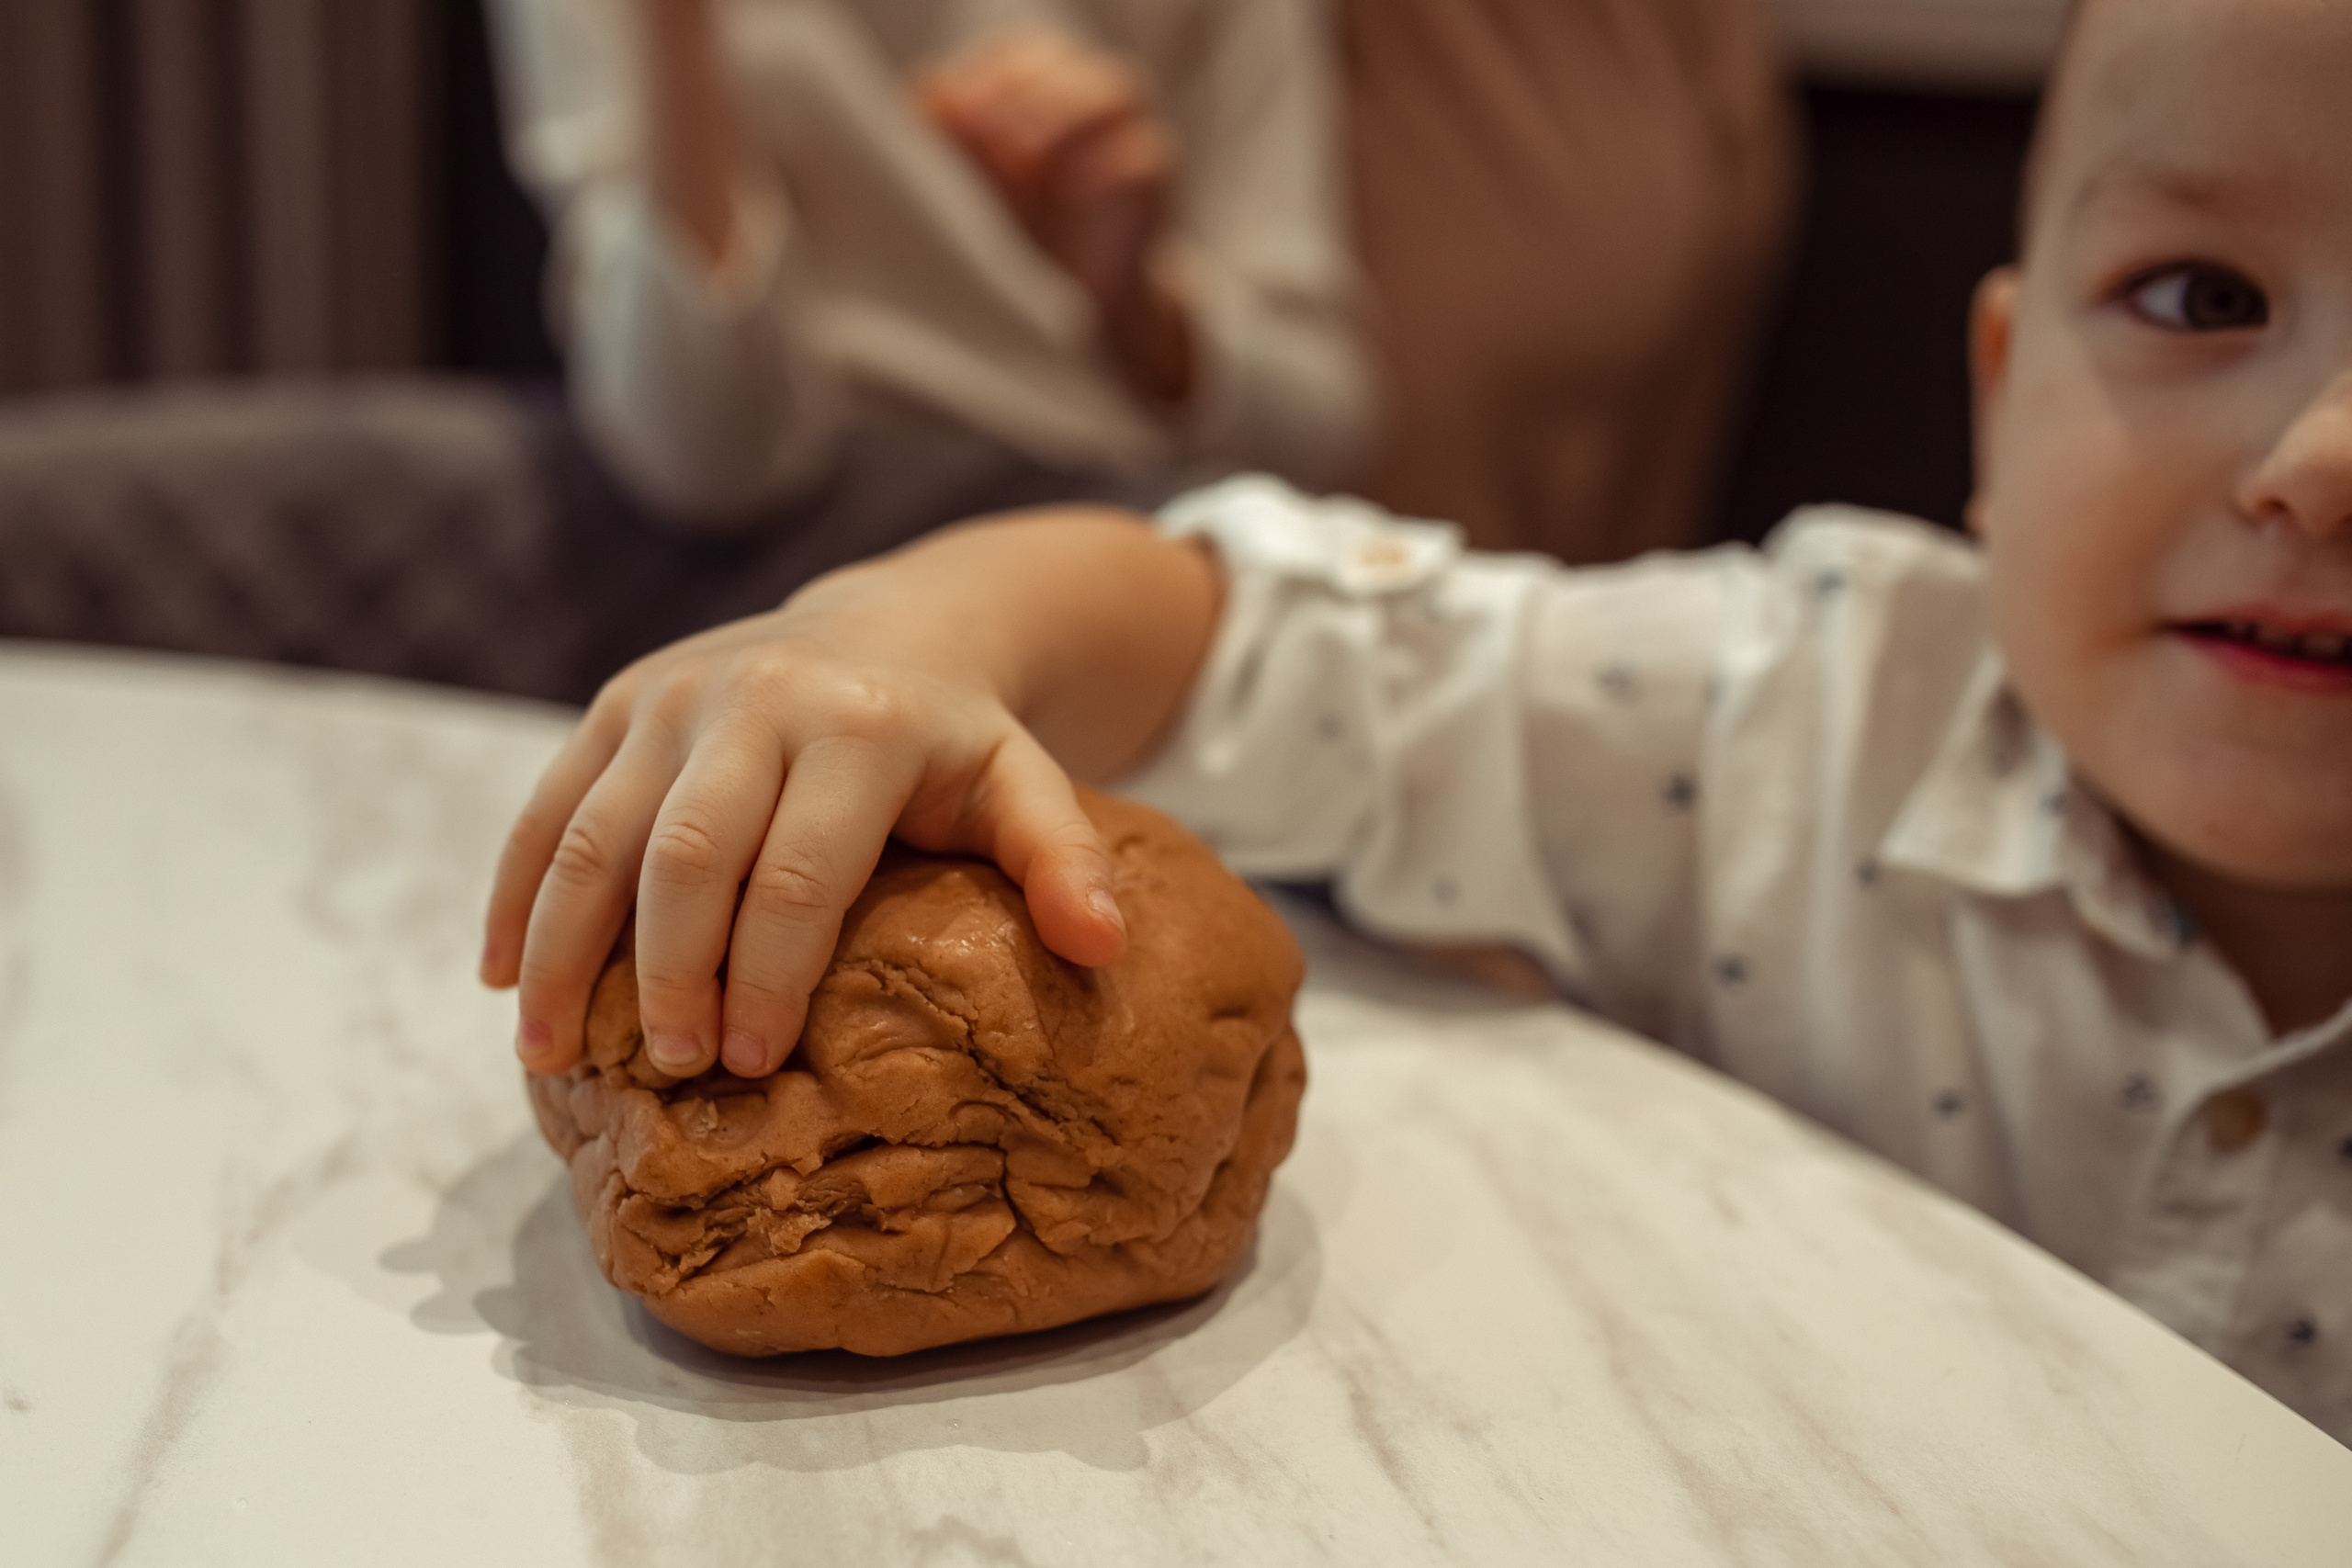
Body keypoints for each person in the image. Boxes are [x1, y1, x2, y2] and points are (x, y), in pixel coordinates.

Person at [483, 0, 2352, 1438]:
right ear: (1999, 394)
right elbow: (1278, 629)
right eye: (2202, 295)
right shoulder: (1791, 717)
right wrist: (902, 628)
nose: (2318, 463)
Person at [489, 0, 1370, 526]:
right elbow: (701, 455)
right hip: (762, 576)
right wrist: (675, 42)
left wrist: (1137, 303)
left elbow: (1320, 419)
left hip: (1106, 535)